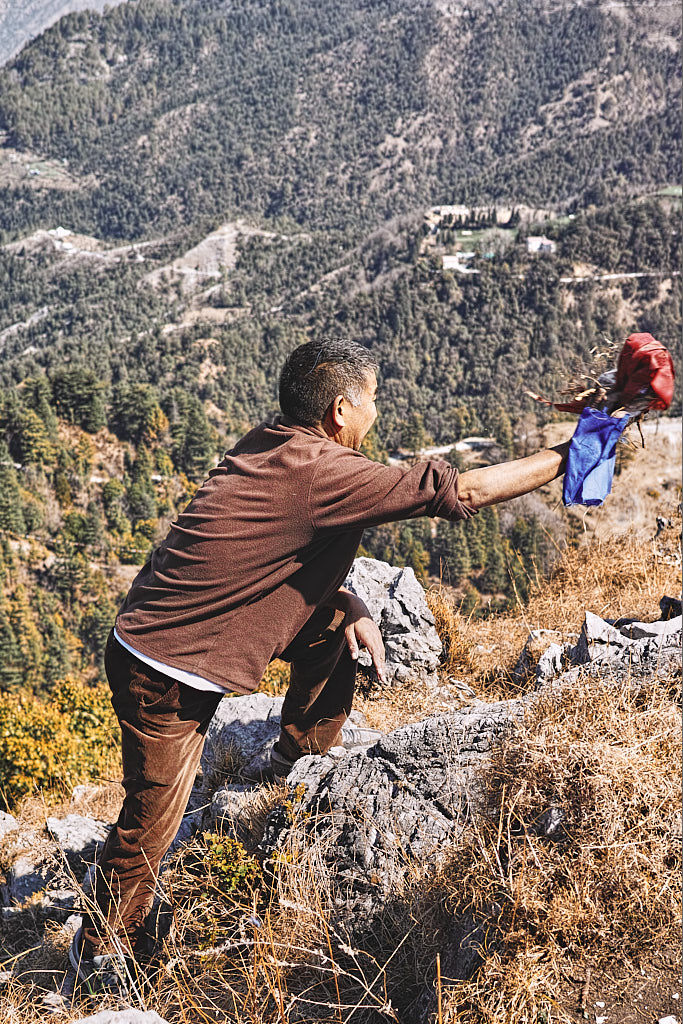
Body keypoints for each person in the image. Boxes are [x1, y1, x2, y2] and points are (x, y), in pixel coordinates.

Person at [70, 338, 569, 992]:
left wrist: (346, 598)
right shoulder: (323, 472)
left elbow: (267, 549)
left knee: (333, 623)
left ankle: (298, 759)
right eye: (371, 402)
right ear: (340, 410)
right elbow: (466, 491)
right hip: (165, 668)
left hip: (171, 634)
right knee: (151, 821)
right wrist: (570, 455)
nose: (376, 414)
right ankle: (100, 963)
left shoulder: (274, 442)